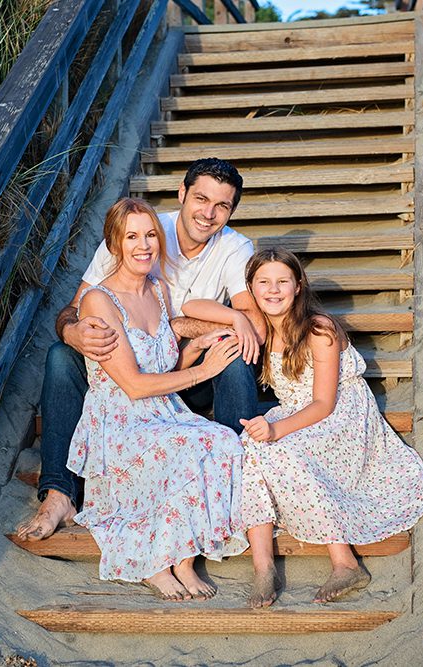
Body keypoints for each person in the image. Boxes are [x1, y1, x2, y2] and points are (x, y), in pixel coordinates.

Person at [17, 158, 264, 542]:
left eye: (222, 206)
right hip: (126, 374)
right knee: (60, 356)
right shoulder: (139, 231)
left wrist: (188, 329)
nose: (208, 213)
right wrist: (72, 331)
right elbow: (73, 307)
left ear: (231, 211)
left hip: (180, 368)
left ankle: (245, 484)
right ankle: (59, 494)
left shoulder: (233, 248)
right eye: (200, 199)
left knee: (233, 355)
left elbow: (254, 328)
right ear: (181, 193)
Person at [183, 248, 423, 607]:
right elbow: (192, 306)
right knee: (248, 446)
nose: (273, 290)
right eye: (263, 282)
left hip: (341, 415)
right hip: (297, 410)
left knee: (278, 445)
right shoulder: (261, 325)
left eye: (282, 281)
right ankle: (263, 565)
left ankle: (345, 562)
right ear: (250, 288)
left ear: (298, 286)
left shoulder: (319, 328)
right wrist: (236, 318)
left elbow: (324, 403)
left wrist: (277, 430)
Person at [65, 197, 248, 599]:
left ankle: (182, 559)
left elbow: (162, 370)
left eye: (150, 235)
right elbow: (132, 384)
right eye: (131, 237)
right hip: (121, 420)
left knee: (224, 442)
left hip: (165, 411)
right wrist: (204, 371)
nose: (143, 245)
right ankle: (155, 561)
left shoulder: (159, 289)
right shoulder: (98, 300)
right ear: (114, 244)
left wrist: (196, 347)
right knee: (190, 449)